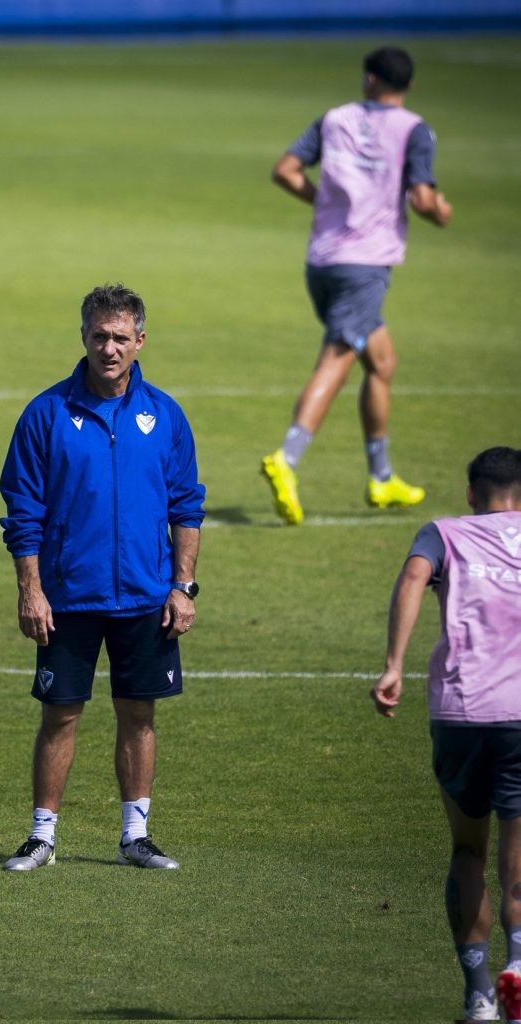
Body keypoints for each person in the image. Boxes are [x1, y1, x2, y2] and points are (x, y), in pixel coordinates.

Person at [0, 283, 205, 872]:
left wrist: (182, 586)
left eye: (120, 337)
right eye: (98, 336)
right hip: (68, 598)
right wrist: (31, 590)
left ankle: (136, 836)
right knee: (59, 715)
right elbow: (22, 512)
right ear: (83, 337)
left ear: (140, 341)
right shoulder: (45, 413)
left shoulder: (165, 415)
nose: (108, 348)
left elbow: (186, 507)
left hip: (146, 596)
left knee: (139, 715)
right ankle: (42, 837)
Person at [261, 46, 452, 525]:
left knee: (381, 362)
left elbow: (285, 171)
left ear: (369, 79)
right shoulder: (414, 130)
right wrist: (440, 211)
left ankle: (381, 477)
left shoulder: (334, 119)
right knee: (337, 359)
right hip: (365, 266)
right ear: (408, 85)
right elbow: (422, 199)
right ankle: (286, 458)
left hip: (322, 262)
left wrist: (326, 204)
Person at [371, 447, 521, 1022]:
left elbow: (414, 576)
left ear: (471, 494)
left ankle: (479, 994)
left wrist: (393, 664)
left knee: (467, 850)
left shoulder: (444, 532)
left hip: (460, 713)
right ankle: (518, 967)